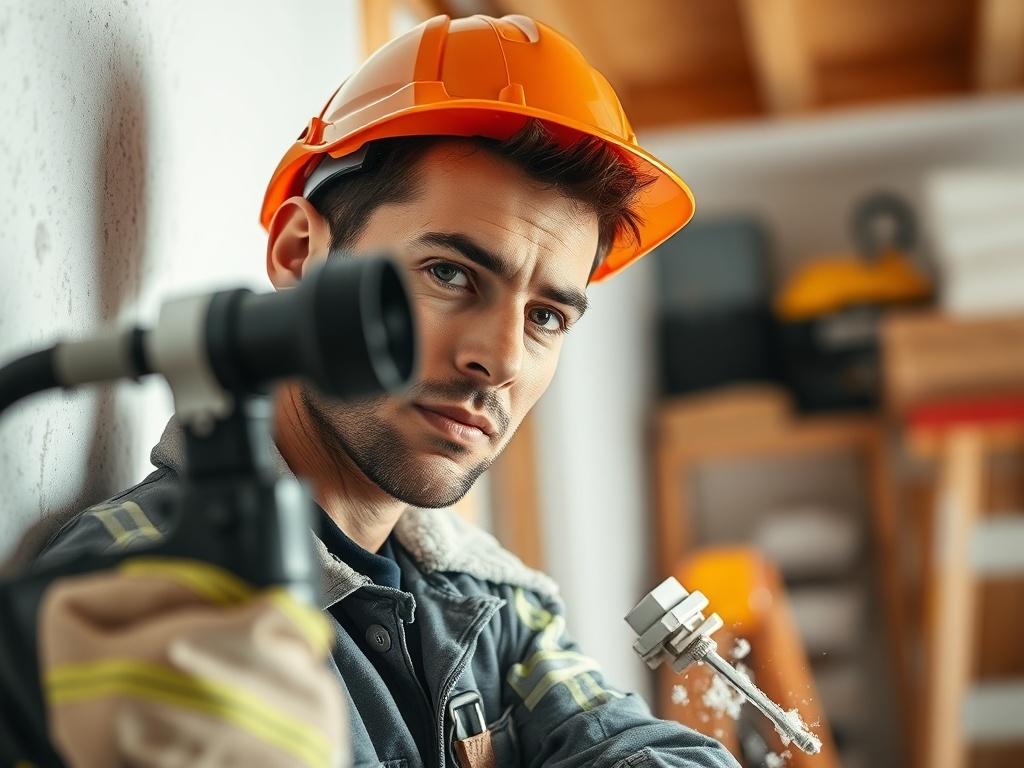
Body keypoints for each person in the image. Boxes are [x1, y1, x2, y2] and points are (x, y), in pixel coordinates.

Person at [25, 13, 738, 768]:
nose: (498, 359)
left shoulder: (490, 603)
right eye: (450, 274)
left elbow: (626, 746)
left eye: (546, 316)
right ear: (302, 255)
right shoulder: (140, 604)